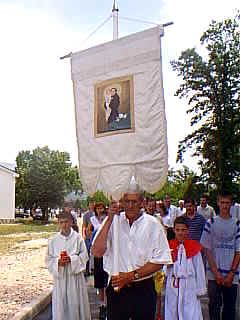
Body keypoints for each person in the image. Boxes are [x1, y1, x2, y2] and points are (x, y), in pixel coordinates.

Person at [91, 188, 172, 320]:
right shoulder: (113, 222)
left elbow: (160, 260)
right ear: (121, 202)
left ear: (142, 202)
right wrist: (109, 220)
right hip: (117, 288)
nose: (130, 205)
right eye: (126, 201)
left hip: (143, 288)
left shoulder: (152, 224)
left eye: (134, 201)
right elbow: (97, 252)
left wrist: (131, 276)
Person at [200, 193, 240, 320]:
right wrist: (216, 273)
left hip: (231, 275)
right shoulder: (210, 223)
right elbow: (208, 249)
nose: (224, 206)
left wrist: (231, 273)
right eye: (222, 202)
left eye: (227, 203)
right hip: (213, 275)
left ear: (231, 204)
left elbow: (238, 251)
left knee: (230, 308)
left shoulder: (237, 224)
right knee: (214, 307)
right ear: (218, 203)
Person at [46, 212, 90, 320]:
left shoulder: (78, 238)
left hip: (74, 278)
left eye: (66, 222)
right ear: (58, 224)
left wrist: (72, 259)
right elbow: (48, 259)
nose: (64, 225)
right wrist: (58, 262)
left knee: (75, 304)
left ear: (71, 222)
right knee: (61, 306)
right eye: (61, 222)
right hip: (60, 278)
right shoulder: (53, 240)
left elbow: (84, 256)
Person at [165, 216, 206, 320]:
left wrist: (200, 289)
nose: (180, 233)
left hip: (189, 285)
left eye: (183, 230)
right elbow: (163, 269)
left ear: (188, 230)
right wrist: (167, 266)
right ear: (173, 230)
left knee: (190, 311)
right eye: (177, 230)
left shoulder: (194, 246)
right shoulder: (169, 246)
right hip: (173, 284)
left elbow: (199, 269)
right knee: (172, 310)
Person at [89, 202, 108, 320]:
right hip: (97, 255)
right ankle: (102, 305)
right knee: (100, 281)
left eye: (102, 208)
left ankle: (108, 303)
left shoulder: (108, 220)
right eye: (98, 208)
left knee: (108, 281)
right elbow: (89, 234)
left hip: (107, 254)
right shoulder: (92, 220)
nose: (100, 210)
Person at [82, 200, 95, 276]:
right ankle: (86, 270)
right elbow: (84, 225)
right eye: (91, 204)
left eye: (93, 203)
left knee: (95, 254)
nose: (92, 205)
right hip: (88, 236)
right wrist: (84, 234)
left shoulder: (97, 213)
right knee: (87, 253)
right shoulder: (86, 214)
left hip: (95, 235)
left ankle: (94, 269)